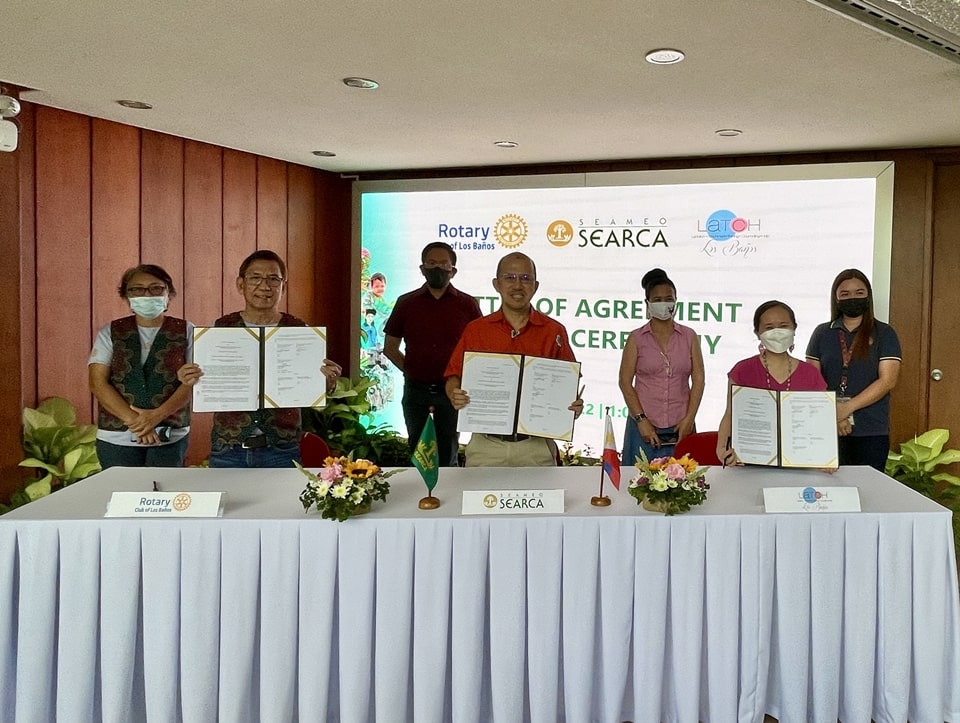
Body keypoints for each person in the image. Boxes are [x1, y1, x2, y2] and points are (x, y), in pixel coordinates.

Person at [177, 250, 342, 468]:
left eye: (273, 279)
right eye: (255, 278)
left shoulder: (298, 330)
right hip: (229, 447)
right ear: (240, 284)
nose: (264, 286)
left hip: (282, 448)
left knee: (283, 503)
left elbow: (311, 385)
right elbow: (206, 379)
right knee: (230, 502)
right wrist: (190, 376)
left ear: (283, 286)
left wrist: (327, 383)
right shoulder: (222, 327)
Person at [444, 252, 583, 467]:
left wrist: (572, 406)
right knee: (480, 501)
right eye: (510, 278)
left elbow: (567, 385)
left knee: (540, 500)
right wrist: (454, 393)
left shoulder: (554, 331)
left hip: (536, 447)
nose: (518, 285)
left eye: (525, 279)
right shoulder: (476, 330)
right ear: (496, 284)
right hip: (486, 445)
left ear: (535, 286)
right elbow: (454, 375)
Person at [383, 242, 482, 466]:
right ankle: (421, 497)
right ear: (422, 268)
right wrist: (412, 369)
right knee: (419, 453)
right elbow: (390, 348)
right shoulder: (406, 303)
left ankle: (448, 499)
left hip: (452, 394)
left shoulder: (468, 305)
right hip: (415, 392)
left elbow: (479, 349)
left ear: (453, 270)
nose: (437, 268)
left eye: (443, 264)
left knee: (448, 453)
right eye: (431, 263)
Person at [88, 264, 193, 468]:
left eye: (156, 288)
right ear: (127, 297)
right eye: (137, 289)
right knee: (120, 495)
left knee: (163, 496)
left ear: (169, 294)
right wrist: (137, 422)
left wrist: (156, 416)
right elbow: (97, 382)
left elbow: (193, 381)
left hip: (169, 436)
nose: (147, 294)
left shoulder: (187, 330)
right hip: (116, 437)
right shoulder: (110, 331)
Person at [806, 269, 901, 471]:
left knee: (867, 494)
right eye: (845, 294)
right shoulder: (822, 332)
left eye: (859, 293)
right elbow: (811, 379)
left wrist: (845, 409)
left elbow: (887, 381)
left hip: (871, 429)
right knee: (826, 493)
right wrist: (835, 415)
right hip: (826, 428)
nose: (852, 298)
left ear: (868, 296)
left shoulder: (884, 333)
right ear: (836, 298)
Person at [717, 300, 827, 466]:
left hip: (801, 464)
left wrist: (826, 456)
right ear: (757, 332)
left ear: (794, 328)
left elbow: (820, 421)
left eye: (783, 326)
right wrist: (721, 448)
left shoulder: (811, 374)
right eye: (769, 328)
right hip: (750, 464)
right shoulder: (742, 370)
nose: (777, 332)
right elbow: (730, 414)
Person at [618, 268, 704, 464]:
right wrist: (641, 421)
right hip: (643, 426)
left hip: (681, 426)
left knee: (683, 484)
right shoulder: (636, 338)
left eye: (668, 298)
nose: (664, 304)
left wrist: (689, 419)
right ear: (647, 304)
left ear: (676, 302)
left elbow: (699, 380)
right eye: (657, 300)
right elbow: (625, 382)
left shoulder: (690, 336)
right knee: (638, 484)